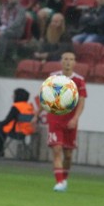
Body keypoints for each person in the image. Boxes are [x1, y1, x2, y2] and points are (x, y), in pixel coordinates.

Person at [45, 51, 87, 192]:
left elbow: (81, 102)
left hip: (69, 122)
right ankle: (59, 182)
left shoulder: (79, 81)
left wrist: (75, 118)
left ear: (75, 63)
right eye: (65, 59)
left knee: (68, 155)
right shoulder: (53, 77)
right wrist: (37, 113)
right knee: (57, 149)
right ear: (61, 61)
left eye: (71, 59)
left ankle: (64, 179)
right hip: (54, 119)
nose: (68, 62)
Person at [0, 88, 36, 159]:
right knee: (1, 128)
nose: (12, 96)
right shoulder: (30, 107)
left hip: (17, 131)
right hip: (27, 131)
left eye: (14, 95)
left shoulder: (16, 107)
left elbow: (7, 120)